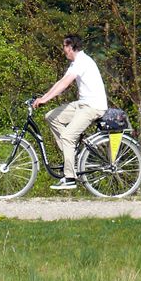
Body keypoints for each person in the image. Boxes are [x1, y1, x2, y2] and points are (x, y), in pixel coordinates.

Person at [32, 34, 107, 190]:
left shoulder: (82, 61)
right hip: (82, 104)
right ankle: (70, 154)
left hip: (93, 106)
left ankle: (70, 178)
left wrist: (45, 100)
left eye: (65, 47)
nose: (63, 50)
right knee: (51, 116)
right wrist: (43, 97)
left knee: (67, 136)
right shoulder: (75, 64)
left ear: (71, 47)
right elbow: (60, 82)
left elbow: (65, 84)